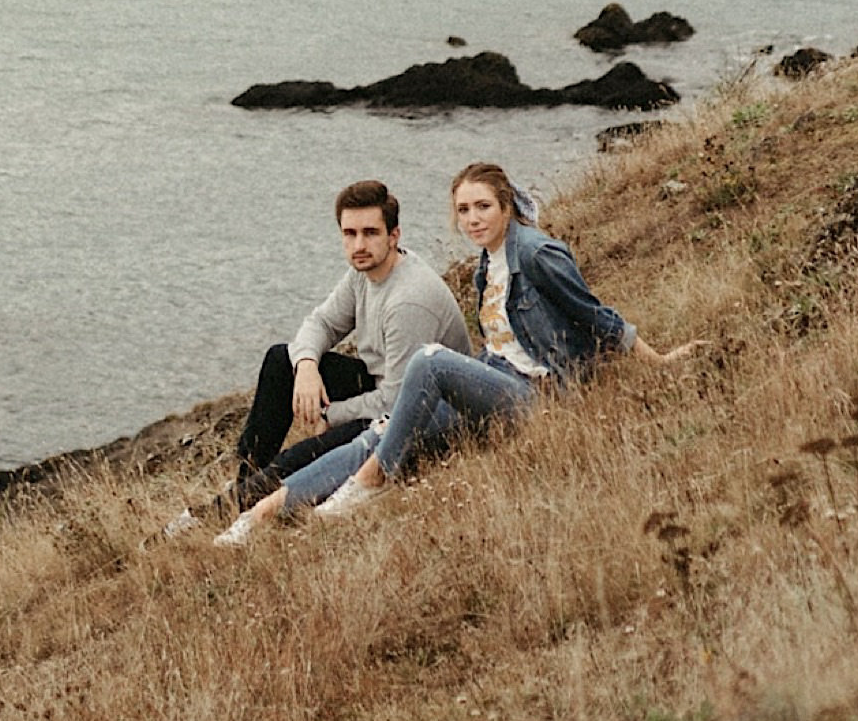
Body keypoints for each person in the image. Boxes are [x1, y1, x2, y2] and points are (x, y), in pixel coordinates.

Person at [217, 159, 696, 540]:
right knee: (375, 433)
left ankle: (371, 482)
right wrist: (305, 367)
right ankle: (256, 517)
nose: (472, 219)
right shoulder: (485, 267)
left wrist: (660, 362)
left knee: (428, 361)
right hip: (493, 381)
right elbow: (323, 323)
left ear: (506, 206)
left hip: (537, 397)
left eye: (483, 207)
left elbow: (595, 315)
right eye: (464, 210)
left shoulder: (535, 254)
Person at [224, 179, 471, 521]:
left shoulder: (409, 300)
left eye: (370, 232)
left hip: (421, 412)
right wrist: (307, 365)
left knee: (302, 456)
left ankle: (230, 509)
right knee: (283, 360)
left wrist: (330, 415)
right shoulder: (363, 272)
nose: (359, 244)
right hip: (380, 386)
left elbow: (395, 401)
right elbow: (321, 323)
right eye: (349, 233)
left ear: (394, 235)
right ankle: (243, 485)